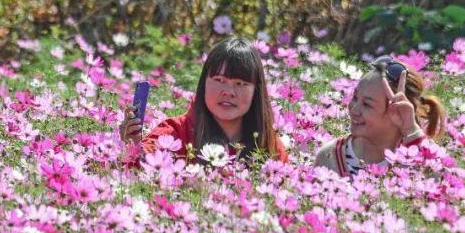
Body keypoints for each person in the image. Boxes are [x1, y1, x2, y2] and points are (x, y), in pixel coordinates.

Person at [119, 37, 289, 164]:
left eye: (240, 84)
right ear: (203, 84)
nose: (229, 92)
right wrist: (132, 146)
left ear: (255, 92)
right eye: (219, 80)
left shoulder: (269, 145)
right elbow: (139, 172)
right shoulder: (175, 133)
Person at [315, 55, 445, 177]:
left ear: (397, 110)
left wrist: (410, 129)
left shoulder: (415, 160)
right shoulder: (330, 157)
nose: (353, 109)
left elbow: (441, 183)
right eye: (355, 97)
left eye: (367, 104)